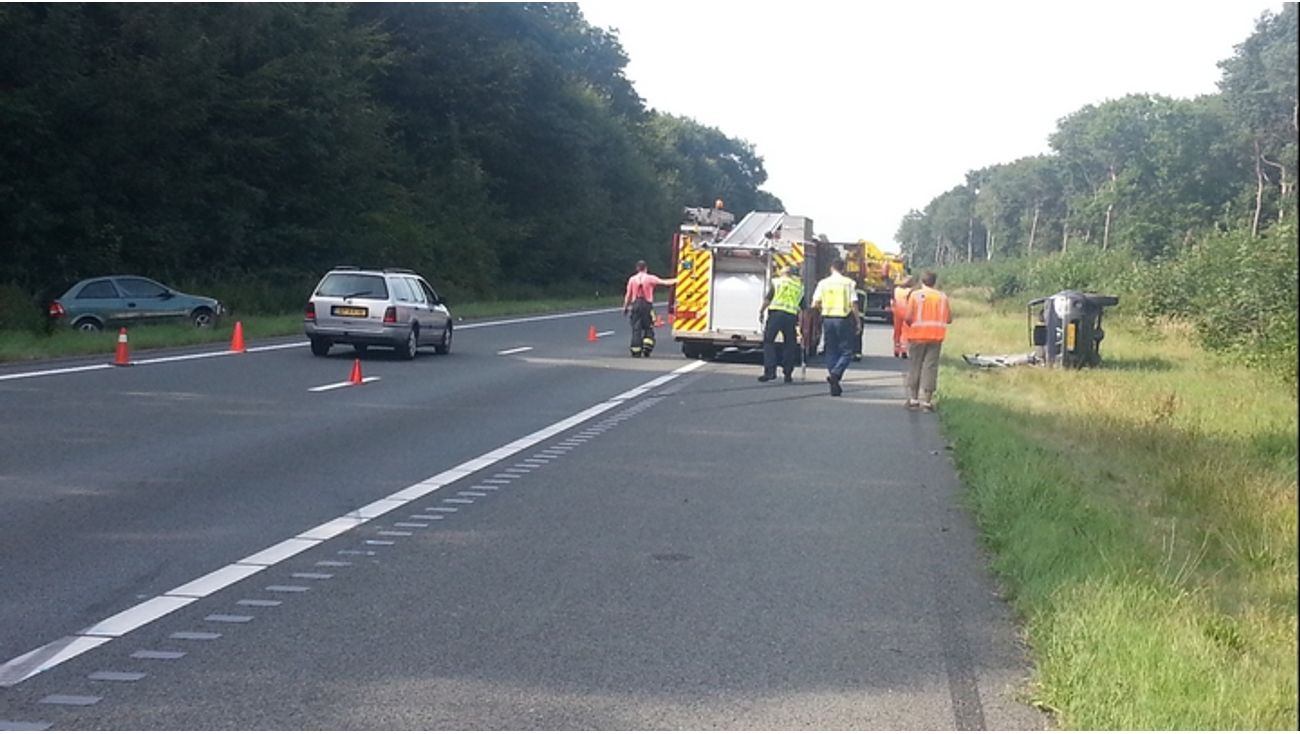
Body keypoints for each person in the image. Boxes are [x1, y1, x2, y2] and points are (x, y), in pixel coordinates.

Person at [810, 257, 862, 396]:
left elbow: (814, 304)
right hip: (843, 320)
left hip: (828, 319)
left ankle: (834, 380)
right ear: (843, 269)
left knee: (831, 350)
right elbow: (854, 303)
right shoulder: (849, 283)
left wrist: (822, 310)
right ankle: (836, 374)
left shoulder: (823, 283)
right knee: (847, 351)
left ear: (831, 268)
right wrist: (858, 321)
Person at [903, 271, 952, 411]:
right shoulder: (942, 297)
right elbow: (949, 319)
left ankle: (913, 399)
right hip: (935, 337)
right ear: (934, 282)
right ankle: (928, 402)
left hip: (917, 336)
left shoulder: (915, 295)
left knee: (915, 366)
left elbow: (907, 317)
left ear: (922, 281)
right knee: (930, 368)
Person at [757, 264, 805, 383]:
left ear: (782, 272)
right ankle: (788, 373)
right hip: (790, 317)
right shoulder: (798, 286)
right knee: (790, 344)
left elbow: (768, 299)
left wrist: (761, 311)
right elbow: (803, 306)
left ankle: (770, 371)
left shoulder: (777, 282)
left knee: (769, 341)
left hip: (776, 315)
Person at [622, 260, 677, 357]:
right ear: (646, 268)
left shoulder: (632, 279)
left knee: (636, 329)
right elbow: (665, 282)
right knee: (648, 327)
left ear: (637, 268)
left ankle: (636, 351)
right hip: (647, 305)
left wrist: (625, 308)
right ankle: (647, 348)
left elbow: (628, 296)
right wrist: (679, 280)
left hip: (636, 305)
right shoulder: (650, 278)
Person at [890, 275, 915, 359]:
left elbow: (893, 300)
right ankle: (904, 350)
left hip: (897, 312)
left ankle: (896, 349)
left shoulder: (896, 290)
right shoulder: (911, 291)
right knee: (905, 332)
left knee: (897, 331)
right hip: (906, 312)